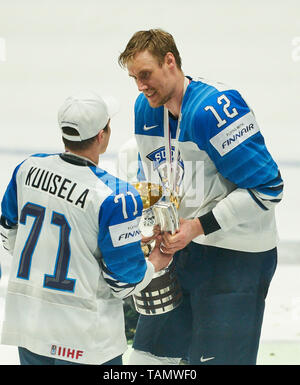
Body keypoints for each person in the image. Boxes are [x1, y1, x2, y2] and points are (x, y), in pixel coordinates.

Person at [117, 29, 284, 365]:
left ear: (170, 62)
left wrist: (198, 226)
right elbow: (153, 180)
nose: (140, 86)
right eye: (134, 78)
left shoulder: (214, 110)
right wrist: (153, 229)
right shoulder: (146, 109)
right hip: (187, 250)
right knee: (147, 359)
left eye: (145, 75)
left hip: (239, 257)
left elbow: (268, 189)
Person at [0, 91, 172, 365]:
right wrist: (153, 263)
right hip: (85, 340)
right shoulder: (115, 195)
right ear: (103, 135)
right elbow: (123, 282)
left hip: (29, 327)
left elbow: (10, 237)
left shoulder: (26, 169)